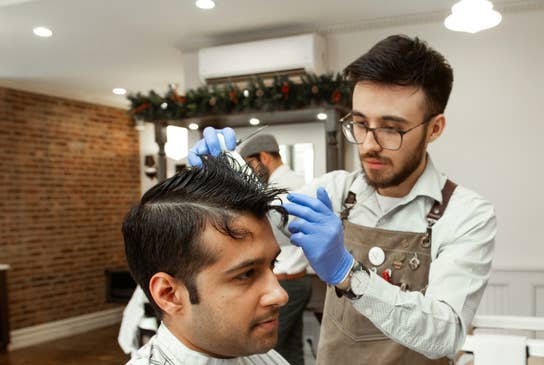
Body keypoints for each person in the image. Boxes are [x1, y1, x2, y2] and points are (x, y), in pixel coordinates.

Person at [189, 34, 496, 365]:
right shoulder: (335, 193)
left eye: (391, 129)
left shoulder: (465, 214)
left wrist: (348, 272)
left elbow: (445, 334)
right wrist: (217, 181)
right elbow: (257, 224)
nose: (368, 145)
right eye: (361, 124)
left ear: (434, 128)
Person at [122, 154, 291, 365]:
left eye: (272, 264)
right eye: (245, 274)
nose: (280, 295)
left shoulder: (260, 356)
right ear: (169, 294)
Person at [239, 134, 311, 365]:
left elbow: (266, 237)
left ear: (264, 157)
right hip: (296, 280)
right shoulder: (298, 180)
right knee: (291, 351)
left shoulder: (283, 188)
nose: (250, 173)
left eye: (250, 165)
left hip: (286, 281)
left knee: (266, 354)